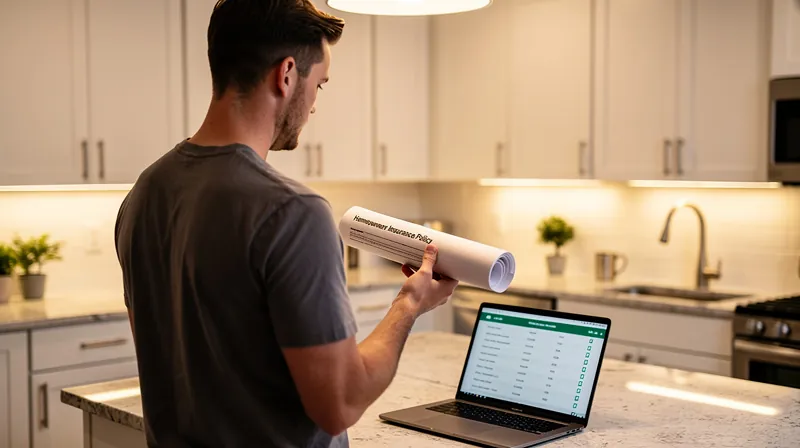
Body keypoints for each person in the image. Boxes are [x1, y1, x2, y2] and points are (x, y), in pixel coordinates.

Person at [113, 0, 458, 447]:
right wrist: (410, 304)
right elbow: (339, 404)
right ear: (287, 74)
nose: (314, 104)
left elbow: (169, 363)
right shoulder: (292, 212)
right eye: (320, 84)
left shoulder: (144, 194)